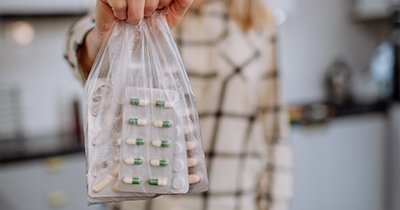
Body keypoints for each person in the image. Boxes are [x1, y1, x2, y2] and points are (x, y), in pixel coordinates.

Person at [64, 0, 293, 209]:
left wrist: (276, 203)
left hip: (231, 201)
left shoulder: (258, 20)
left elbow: (275, 133)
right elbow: (78, 44)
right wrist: (101, 38)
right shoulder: (140, 8)